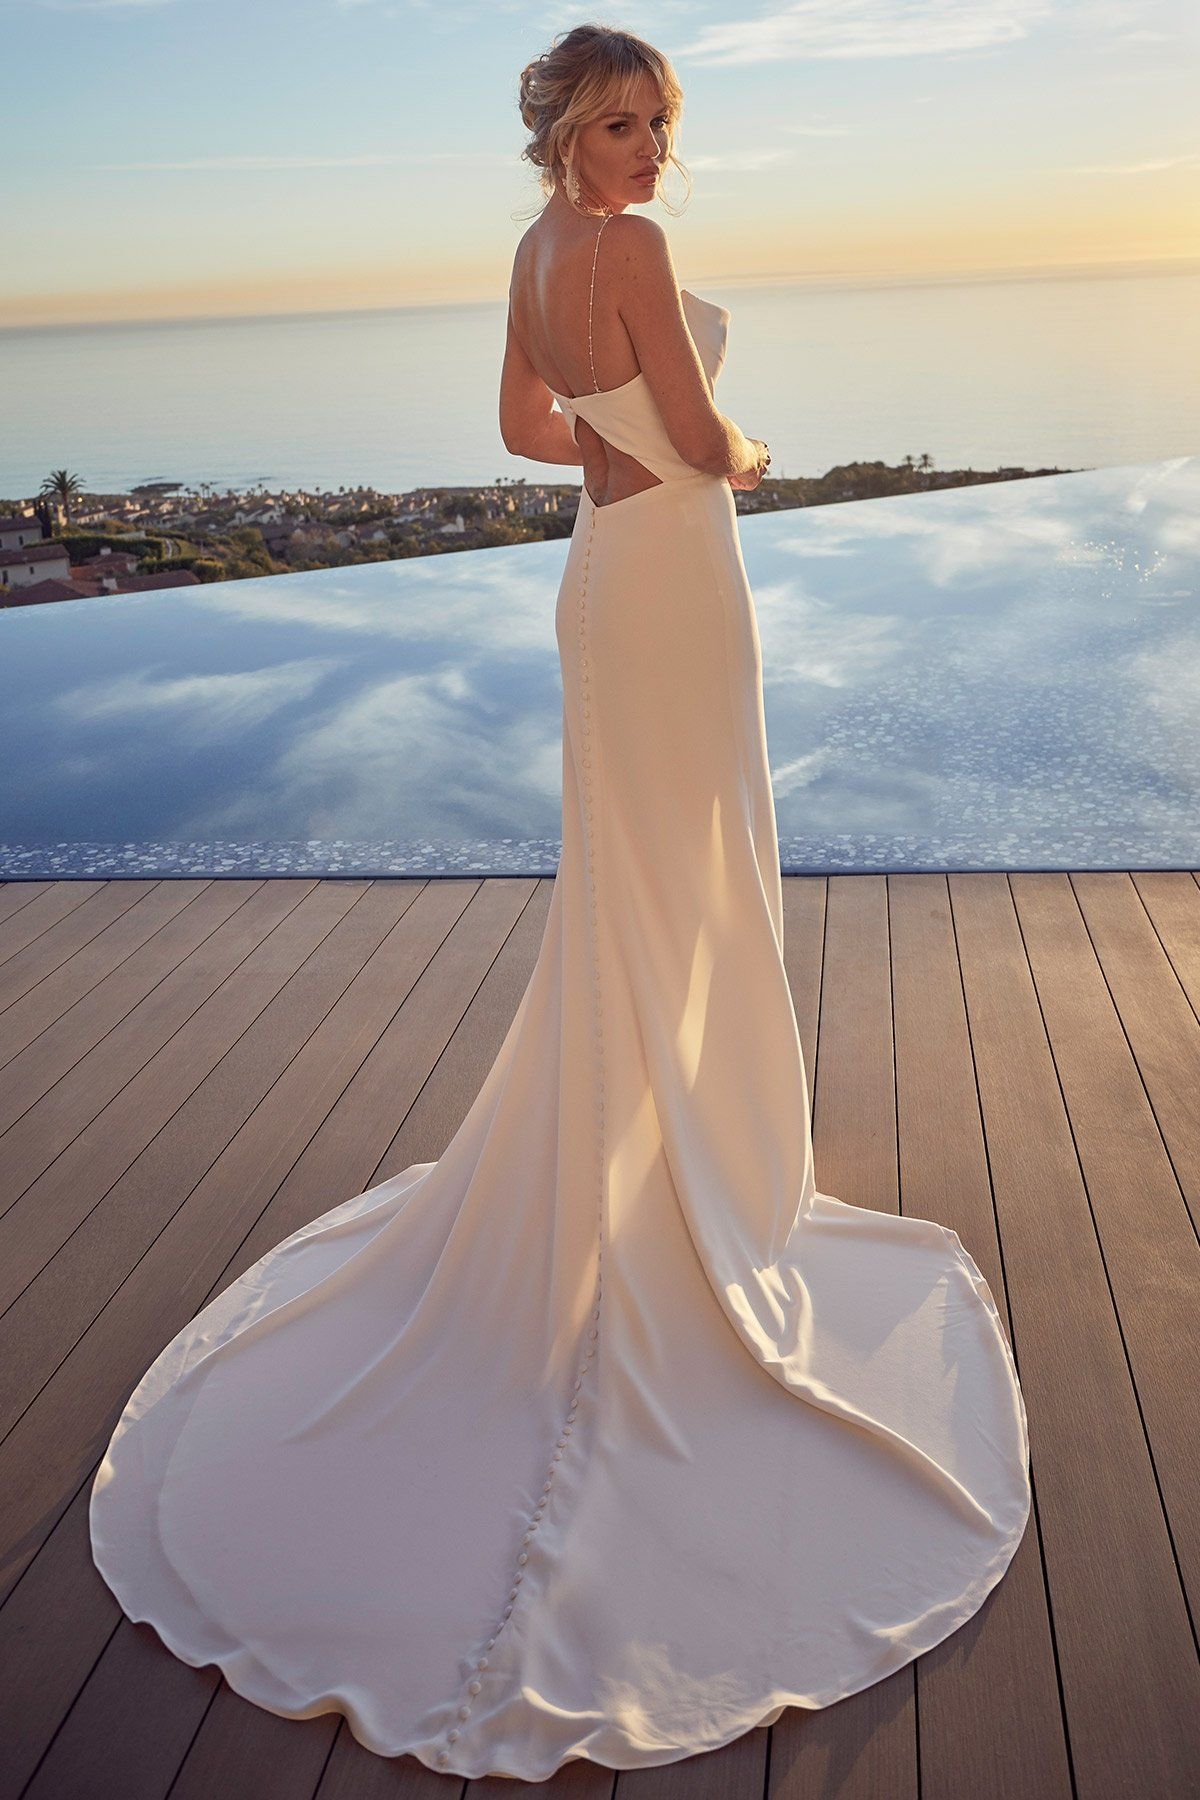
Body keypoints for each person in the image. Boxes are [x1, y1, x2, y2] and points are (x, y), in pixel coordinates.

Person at [89, 23, 1032, 1785]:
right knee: (687, 884)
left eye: (662, 124)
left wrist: (612, 459)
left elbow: (530, 423)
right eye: (620, 125)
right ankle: (684, 1186)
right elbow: (691, 425)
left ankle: (645, 1161)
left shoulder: (531, 253)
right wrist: (738, 452)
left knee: (633, 890)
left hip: (607, 573)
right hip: (676, 575)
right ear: (564, 133)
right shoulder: (636, 253)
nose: (650, 153)